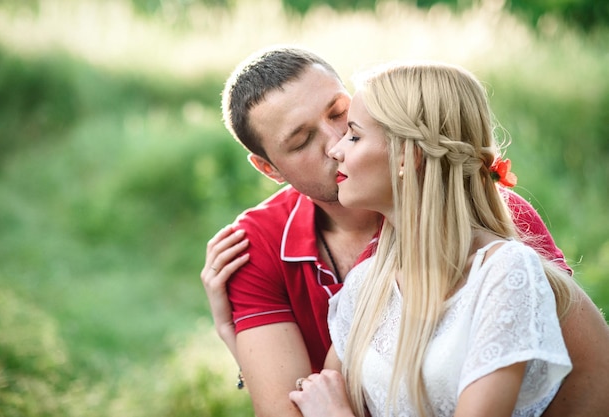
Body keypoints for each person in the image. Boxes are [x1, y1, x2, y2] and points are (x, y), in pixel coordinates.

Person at [200, 45, 609, 417]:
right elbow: (298, 406)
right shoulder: (350, 279)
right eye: (302, 140)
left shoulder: (491, 227)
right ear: (269, 169)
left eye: (341, 115)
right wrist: (234, 338)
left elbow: (579, 363)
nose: (335, 142)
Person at [288, 61, 574, 416]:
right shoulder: (366, 287)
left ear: (409, 155)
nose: (336, 150)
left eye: (354, 135)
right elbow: (314, 397)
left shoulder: (504, 271)